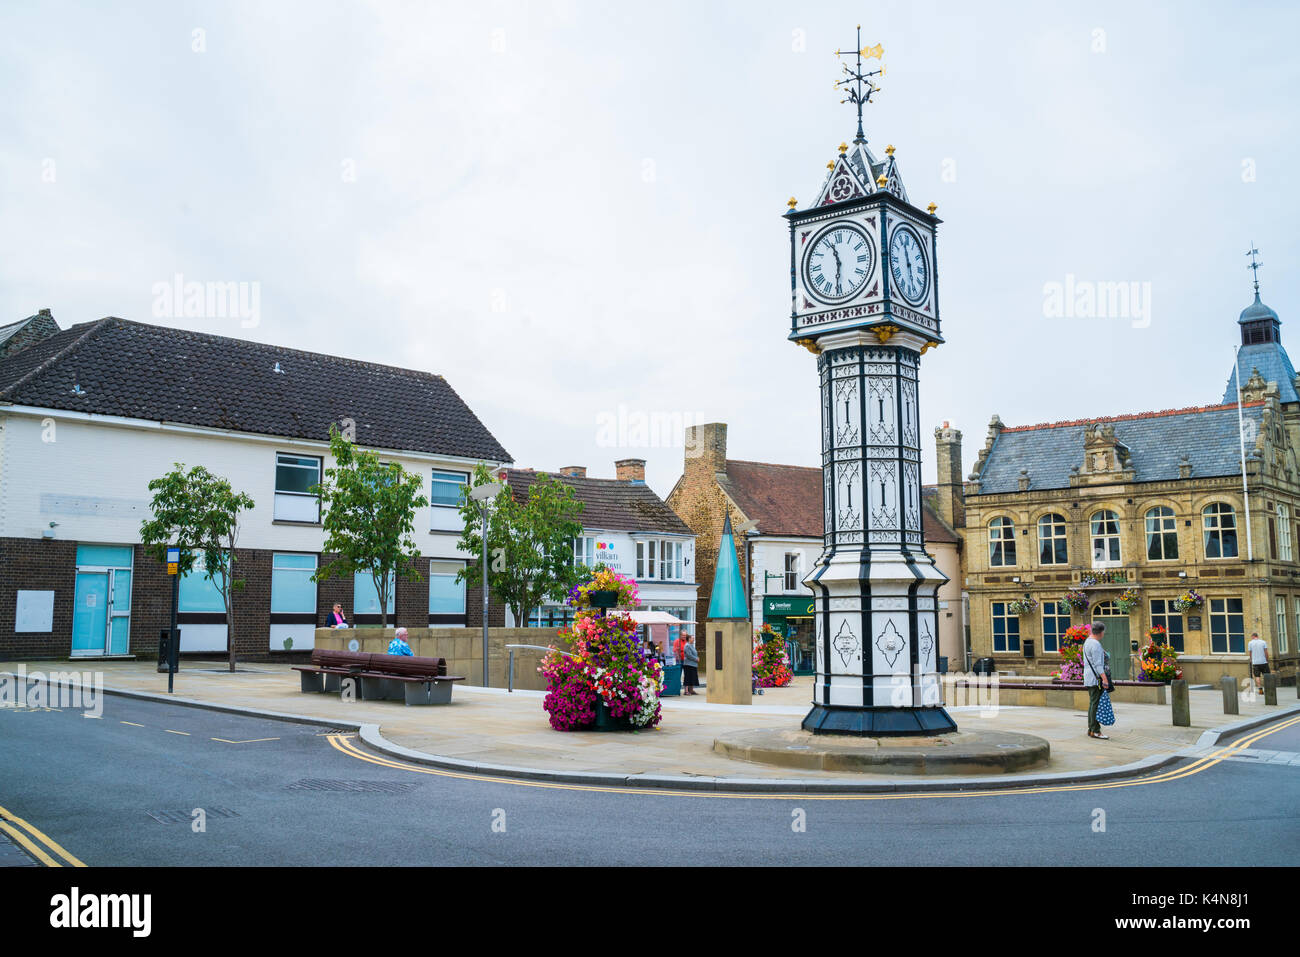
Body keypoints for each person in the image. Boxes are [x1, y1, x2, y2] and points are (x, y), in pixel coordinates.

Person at [1082, 621, 1112, 739]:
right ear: (1101, 632)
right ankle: (1095, 731)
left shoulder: (1087, 642)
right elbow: (1098, 664)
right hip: (1096, 678)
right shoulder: (1095, 644)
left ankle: (1091, 729)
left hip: (1089, 676)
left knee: (1093, 703)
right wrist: (1105, 679)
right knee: (1095, 704)